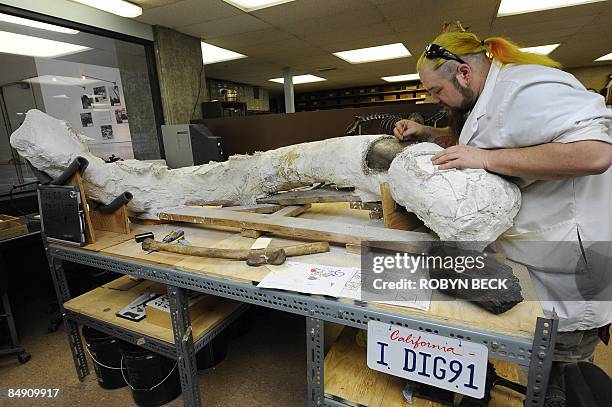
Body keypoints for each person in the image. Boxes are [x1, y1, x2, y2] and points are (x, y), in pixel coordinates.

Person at [394, 31, 612, 404]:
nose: (433, 98)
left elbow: (594, 153)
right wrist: (427, 132)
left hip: (568, 251)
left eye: (435, 91)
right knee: (536, 356)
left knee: (563, 371)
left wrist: (486, 161)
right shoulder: (488, 94)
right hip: (532, 251)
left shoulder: (528, 87)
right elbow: (489, 138)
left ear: (464, 73)